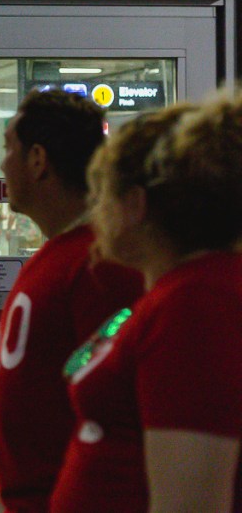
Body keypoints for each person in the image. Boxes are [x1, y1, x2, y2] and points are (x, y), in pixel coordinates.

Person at [51, 97, 242, 512]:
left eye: (103, 198)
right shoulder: (179, 293)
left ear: (135, 205)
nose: (94, 215)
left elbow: (190, 504)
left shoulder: (195, 305)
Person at [0, 90, 144, 512]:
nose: (2, 164)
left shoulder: (101, 265)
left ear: (38, 160)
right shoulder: (62, 254)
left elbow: (116, 406)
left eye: (8, 148)